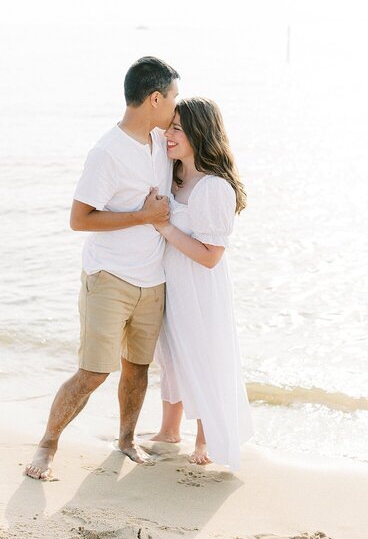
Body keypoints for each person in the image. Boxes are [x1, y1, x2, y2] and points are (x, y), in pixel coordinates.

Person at [25, 56, 180, 480]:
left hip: (154, 279)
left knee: (137, 369)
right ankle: (47, 444)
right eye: (172, 98)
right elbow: (80, 219)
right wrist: (142, 216)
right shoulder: (107, 153)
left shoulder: (159, 143)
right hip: (109, 276)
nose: (175, 107)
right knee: (93, 372)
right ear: (154, 98)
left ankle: (126, 440)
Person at [152, 97, 253, 471]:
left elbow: (211, 255)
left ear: (199, 132)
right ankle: (168, 431)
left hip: (200, 287)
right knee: (172, 356)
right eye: (169, 126)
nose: (168, 134)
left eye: (177, 128)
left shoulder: (214, 187)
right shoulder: (173, 176)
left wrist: (163, 226)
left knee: (203, 355)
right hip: (172, 283)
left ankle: (206, 436)